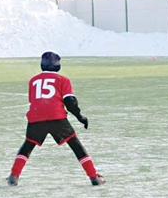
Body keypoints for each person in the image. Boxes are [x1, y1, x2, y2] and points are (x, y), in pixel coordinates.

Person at [6, 51, 105, 186]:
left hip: (36, 117)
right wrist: (80, 116)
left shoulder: (33, 81)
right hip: (57, 117)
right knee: (76, 146)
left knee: (27, 146)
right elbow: (70, 101)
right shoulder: (63, 80)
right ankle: (94, 177)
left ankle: (13, 175)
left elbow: (33, 102)